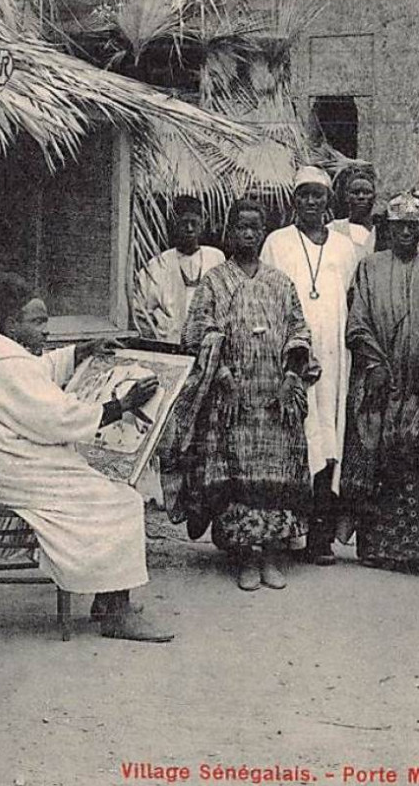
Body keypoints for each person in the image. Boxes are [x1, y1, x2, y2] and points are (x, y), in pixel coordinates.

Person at [0, 276, 172, 641]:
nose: (46, 331)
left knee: (112, 488)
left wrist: (80, 352)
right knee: (121, 500)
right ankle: (117, 613)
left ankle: (108, 595)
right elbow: (59, 419)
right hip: (21, 470)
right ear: (11, 322)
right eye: (37, 322)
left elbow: (40, 372)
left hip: (23, 459)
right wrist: (120, 406)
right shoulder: (7, 365)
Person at [170, 198, 315, 590]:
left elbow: (300, 331)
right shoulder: (215, 281)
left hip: (275, 398)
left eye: (255, 227)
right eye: (240, 227)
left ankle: (271, 555)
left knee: (276, 474)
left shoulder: (281, 282)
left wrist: (290, 378)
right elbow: (197, 333)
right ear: (229, 232)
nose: (248, 234)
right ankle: (244, 557)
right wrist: (223, 376)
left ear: (263, 231)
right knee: (236, 473)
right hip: (231, 397)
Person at [339, 193, 419, 572]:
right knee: (376, 458)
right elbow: (357, 321)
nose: (406, 232)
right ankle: (374, 546)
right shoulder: (369, 267)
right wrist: (374, 363)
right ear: (387, 227)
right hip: (379, 382)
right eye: (399, 225)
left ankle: (411, 550)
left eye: (413, 226)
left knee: (417, 461)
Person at [261, 166, 361, 564]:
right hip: (288, 355)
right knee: (292, 436)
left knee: (327, 438)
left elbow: (348, 298)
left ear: (327, 200)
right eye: (303, 195)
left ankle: (319, 539)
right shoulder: (277, 242)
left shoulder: (343, 247)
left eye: (317, 195)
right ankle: (283, 536)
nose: (310, 202)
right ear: (294, 201)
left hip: (333, 358)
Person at [132, 196, 226, 343]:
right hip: (170, 347)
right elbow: (139, 312)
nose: (189, 229)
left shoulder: (216, 258)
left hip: (208, 346)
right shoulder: (158, 264)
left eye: (193, 223)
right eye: (184, 223)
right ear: (174, 225)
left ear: (202, 223)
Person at [330, 164, 380, 254]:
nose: (361, 196)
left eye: (367, 192)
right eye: (355, 192)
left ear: (374, 197)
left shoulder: (382, 233)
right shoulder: (334, 229)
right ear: (347, 196)